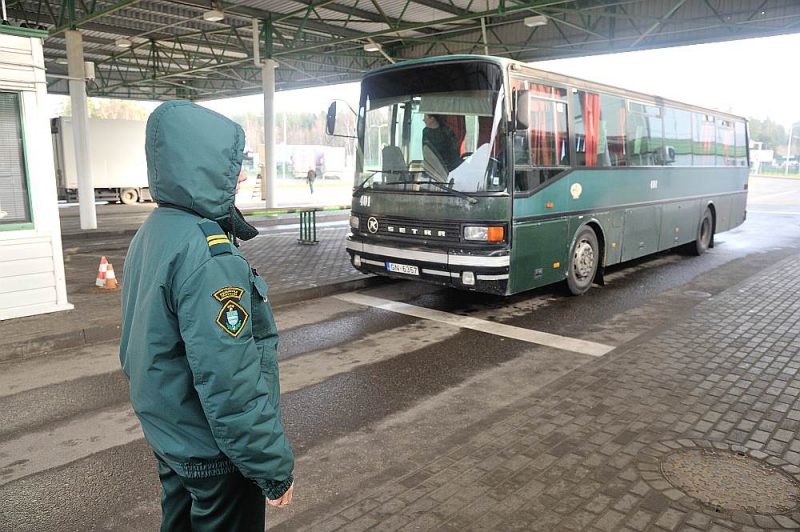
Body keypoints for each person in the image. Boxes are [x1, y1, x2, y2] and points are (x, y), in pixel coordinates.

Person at [120, 101, 294, 531]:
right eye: (233, 164)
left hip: (172, 434)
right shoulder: (209, 253)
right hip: (214, 452)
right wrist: (271, 468)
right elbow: (228, 379)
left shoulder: (156, 230)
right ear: (203, 166)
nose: (241, 175)